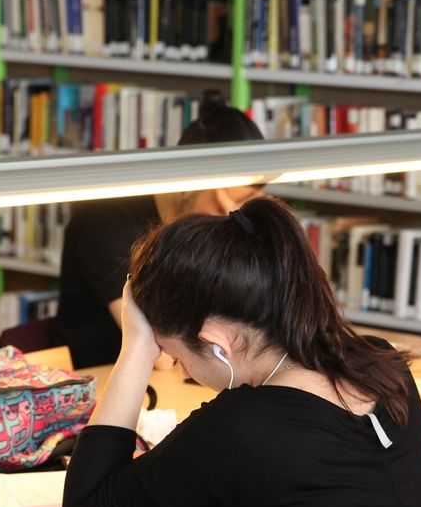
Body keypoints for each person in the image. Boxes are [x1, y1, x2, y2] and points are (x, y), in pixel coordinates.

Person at [62, 196, 421, 507]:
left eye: (176, 357)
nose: (183, 370)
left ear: (217, 344)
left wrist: (135, 349)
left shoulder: (237, 430)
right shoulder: (383, 364)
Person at [54, 91, 265, 369]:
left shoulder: (199, 227)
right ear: (187, 181)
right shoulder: (105, 221)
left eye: (243, 204)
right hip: (104, 380)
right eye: (225, 201)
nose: (231, 218)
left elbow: (257, 333)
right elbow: (163, 355)